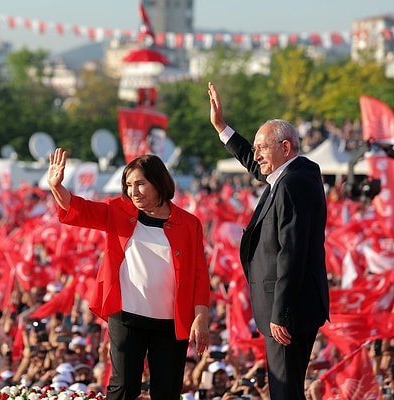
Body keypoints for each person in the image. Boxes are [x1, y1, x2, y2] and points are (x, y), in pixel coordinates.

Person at [47, 148, 210, 400]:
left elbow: (200, 273)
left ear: (158, 182)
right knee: (123, 388)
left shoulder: (189, 223)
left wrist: (201, 316)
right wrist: (56, 186)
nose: (133, 191)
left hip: (171, 322)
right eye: (129, 185)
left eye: (140, 184)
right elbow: (80, 209)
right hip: (126, 316)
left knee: (166, 392)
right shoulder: (118, 211)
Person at [207, 81, 330, 400]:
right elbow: (255, 164)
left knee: (284, 392)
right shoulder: (296, 173)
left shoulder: (292, 185)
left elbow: (292, 252)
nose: (257, 154)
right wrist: (222, 128)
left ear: (285, 148)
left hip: (289, 312)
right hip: (290, 307)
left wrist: (282, 313)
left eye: (263, 147)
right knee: (284, 389)